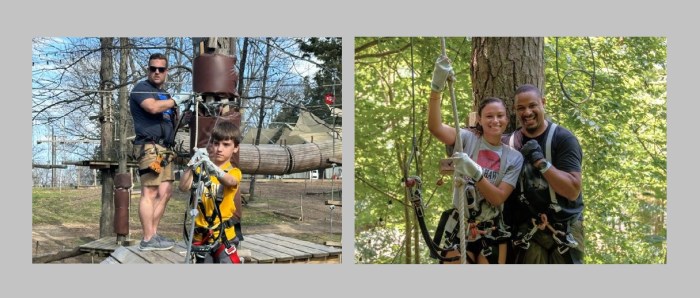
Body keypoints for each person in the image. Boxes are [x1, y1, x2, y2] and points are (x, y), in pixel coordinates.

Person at [428, 55, 523, 264]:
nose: (495, 120)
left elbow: (498, 198)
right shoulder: (467, 139)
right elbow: (435, 127)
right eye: (489, 116)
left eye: (500, 116)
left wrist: (476, 172)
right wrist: (437, 87)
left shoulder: (514, 158)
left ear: (507, 119)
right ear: (479, 119)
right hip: (460, 225)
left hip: (491, 230)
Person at [503, 84, 585, 264]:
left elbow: (572, 190)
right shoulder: (508, 143)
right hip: (528, 231)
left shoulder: (562, 139)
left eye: (532, 106)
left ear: (543, 103)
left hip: (565, 228)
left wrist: (540, 162)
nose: (527, 112)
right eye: (521, 108)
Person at [130, 53, 189, 251]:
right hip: (150, 147)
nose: (156, 72)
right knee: (150, 191)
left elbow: (172, 119)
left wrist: (185, 108)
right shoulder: (141, 89)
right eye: (152, 68)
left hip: (165, 150)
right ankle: (147, 238)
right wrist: (176, 100)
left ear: (166, 72)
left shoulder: (165, 94)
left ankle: (153, 234)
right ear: (148, 70)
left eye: (161, 69)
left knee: (165, 192)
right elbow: (153, 108)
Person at [179, 120, 243, 263]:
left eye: (226, 145)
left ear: (236, 148)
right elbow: (183, 187)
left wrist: (213, 168)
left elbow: (231, 181)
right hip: (201, 237)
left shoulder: (234, 172)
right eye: (216, 143)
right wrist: (191, 164)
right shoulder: (199, 170)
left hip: (224, 237)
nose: (219, 149)